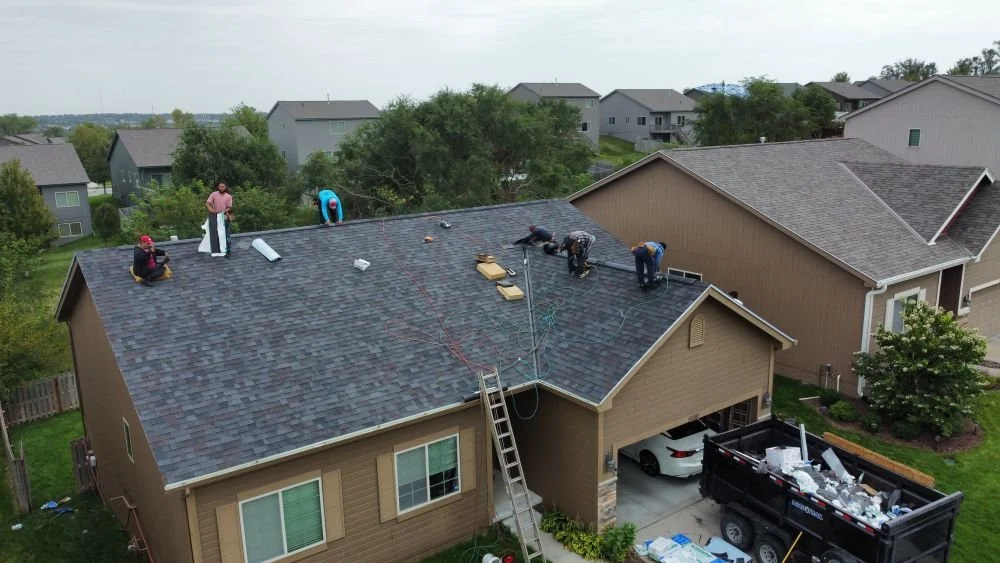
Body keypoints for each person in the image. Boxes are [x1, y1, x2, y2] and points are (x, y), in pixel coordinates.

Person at [205, 181, 233, 256]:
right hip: (214, 216)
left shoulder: (228, 196)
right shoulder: (214, 194)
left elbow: (229, 208)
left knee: (226, 234)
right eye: (220, 186)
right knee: (215, 233)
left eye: (223, 186)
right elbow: (207, 203)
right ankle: (217, 250)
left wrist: (222, 212)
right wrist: (211, 209)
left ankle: (228, 251)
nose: (221, 188)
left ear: (225, 187)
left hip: (224, 216)